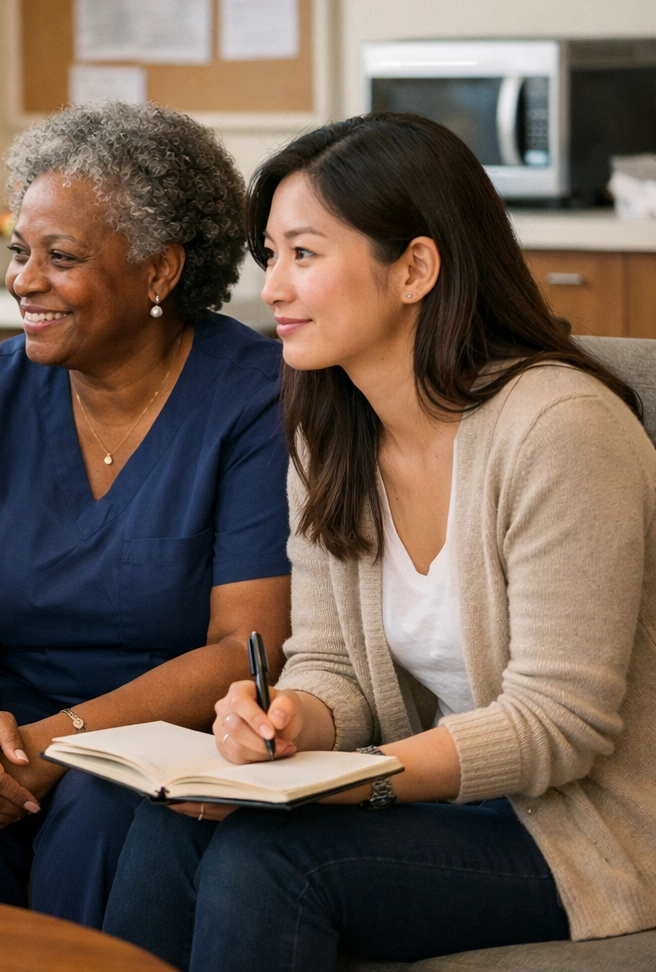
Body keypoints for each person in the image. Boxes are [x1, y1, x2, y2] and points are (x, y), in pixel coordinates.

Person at [102, 113, 656, 971]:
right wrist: (287, 724)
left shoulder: (561, 429)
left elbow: (560, 725)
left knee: (272, 860)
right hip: (449, 798)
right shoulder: (331, 435)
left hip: (590, 827)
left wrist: (347, 780)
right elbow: (330, 664)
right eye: (270, 257)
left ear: (416, 268)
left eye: (304, 254)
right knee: (170, 822)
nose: (274, 289)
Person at [0, 102, 293, 927]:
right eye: (20, 252)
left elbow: (247, 643)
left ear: (161, 271)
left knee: (100, 812)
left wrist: (64, 743)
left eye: (61, 258)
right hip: (11, 715)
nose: (24, 280)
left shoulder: (255, 396)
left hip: (175, 729)